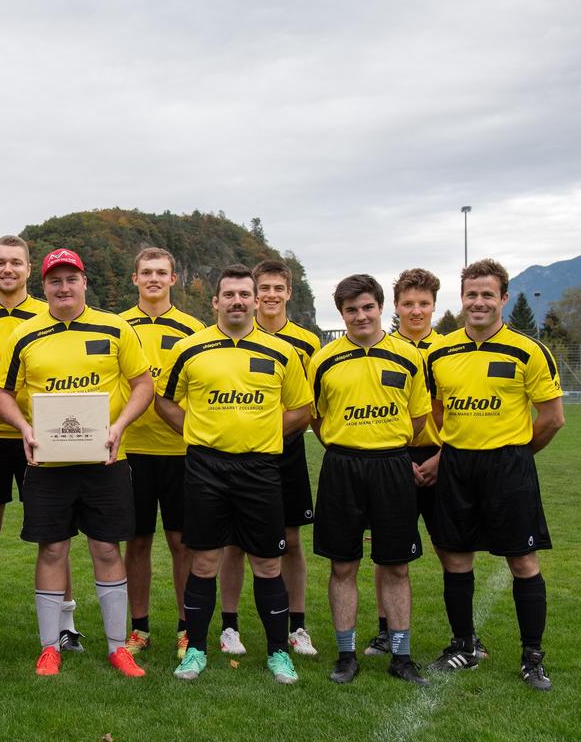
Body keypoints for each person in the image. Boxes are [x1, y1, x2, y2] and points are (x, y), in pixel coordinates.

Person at [0, 248, 152, 678]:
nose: (63, 287)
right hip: (49, 463)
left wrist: (119, 426)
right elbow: (2, 393)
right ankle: (50, 647)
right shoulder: (25, 335)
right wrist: (24, 428)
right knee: (53, 548)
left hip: (105, 459)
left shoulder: (115, 327)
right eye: (54, 281)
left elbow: (142, 384)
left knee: (106, 547)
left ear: (85, 281)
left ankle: (119, 648)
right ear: (43, 285)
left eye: (71, 279)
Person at [155, 264, 311, 684]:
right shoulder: (189, 348)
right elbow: (164, 400)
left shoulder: (282, 352)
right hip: (206, 467)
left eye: (246, 295)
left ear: (257, 301)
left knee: (267, 561)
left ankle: (279, 652)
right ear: (216, 301)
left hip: (260, 468)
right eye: (230, 295)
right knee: (204, 560)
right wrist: (194, 431)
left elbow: (302, 408)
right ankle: (197, 651)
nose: (238, 301)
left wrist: (264, 432)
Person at [424, 259, 564, 690]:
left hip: (508, 467)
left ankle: (532, 657)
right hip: (457, 465)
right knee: (455, 557)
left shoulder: (528, 350)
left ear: (503, 298)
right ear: (461, 298)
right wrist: (448, 450)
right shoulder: (439, 352)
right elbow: (436, 410)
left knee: (522, 560)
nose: (479, 302)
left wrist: (517, 454)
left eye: (488, 294)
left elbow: (552, 418)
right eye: (472, 294)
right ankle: (464, 646)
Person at [0, 236, 84, 654]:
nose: (7, 269)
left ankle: (66, 624)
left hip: (39, 438)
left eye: (16, 263)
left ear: (28, 270)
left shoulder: (48, 315)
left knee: (55, 535)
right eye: (0, 262)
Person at [309, 274, 430, 686]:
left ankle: (401, 655)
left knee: (395, 565)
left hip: (392, 466)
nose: (360, 316)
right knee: (343, 564)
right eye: (350, 310)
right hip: (342, 466)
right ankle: (346, 655)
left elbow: (417, 419)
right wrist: (348, 442)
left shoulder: (409, 356)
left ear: (381, 308)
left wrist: (383, 441)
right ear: (341, 313)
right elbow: (317, 416)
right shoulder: (323, 359)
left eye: (367, 307)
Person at [369, 268, 489, 658]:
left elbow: (459, 415)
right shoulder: (381, 348)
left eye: (423, 304)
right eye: (408, 303)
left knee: (450, 549)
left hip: (443, 460)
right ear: (396, 307)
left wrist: (441, 457)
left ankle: (466, 636)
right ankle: (386, 631)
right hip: (393, 460)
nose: (416, 311)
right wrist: (396, 458)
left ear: (435, 306)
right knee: (389, 552)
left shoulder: (449, 350)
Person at [218, 260, 321, 658]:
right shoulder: (238, 336)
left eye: (279, 287)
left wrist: (270, 429)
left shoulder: (307, 343)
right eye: (265, 288)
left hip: (287, 448)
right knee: (234, 543)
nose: (271, 295)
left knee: (291, 540)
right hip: (240, 454)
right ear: (254, 294)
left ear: (289, 292)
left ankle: (297, 626)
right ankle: (230, 627)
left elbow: (307, 404)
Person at [117, 248, 204, 660]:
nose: (153, 278)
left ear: (174, 279)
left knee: (182, 542)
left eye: (162, 272)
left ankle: (187, 629)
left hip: (178, 450)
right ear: (134, 279)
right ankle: (140, 628)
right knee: (136, 541)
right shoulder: (117, 327)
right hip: (131, 449)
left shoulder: (193, 329)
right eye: (146, 272)